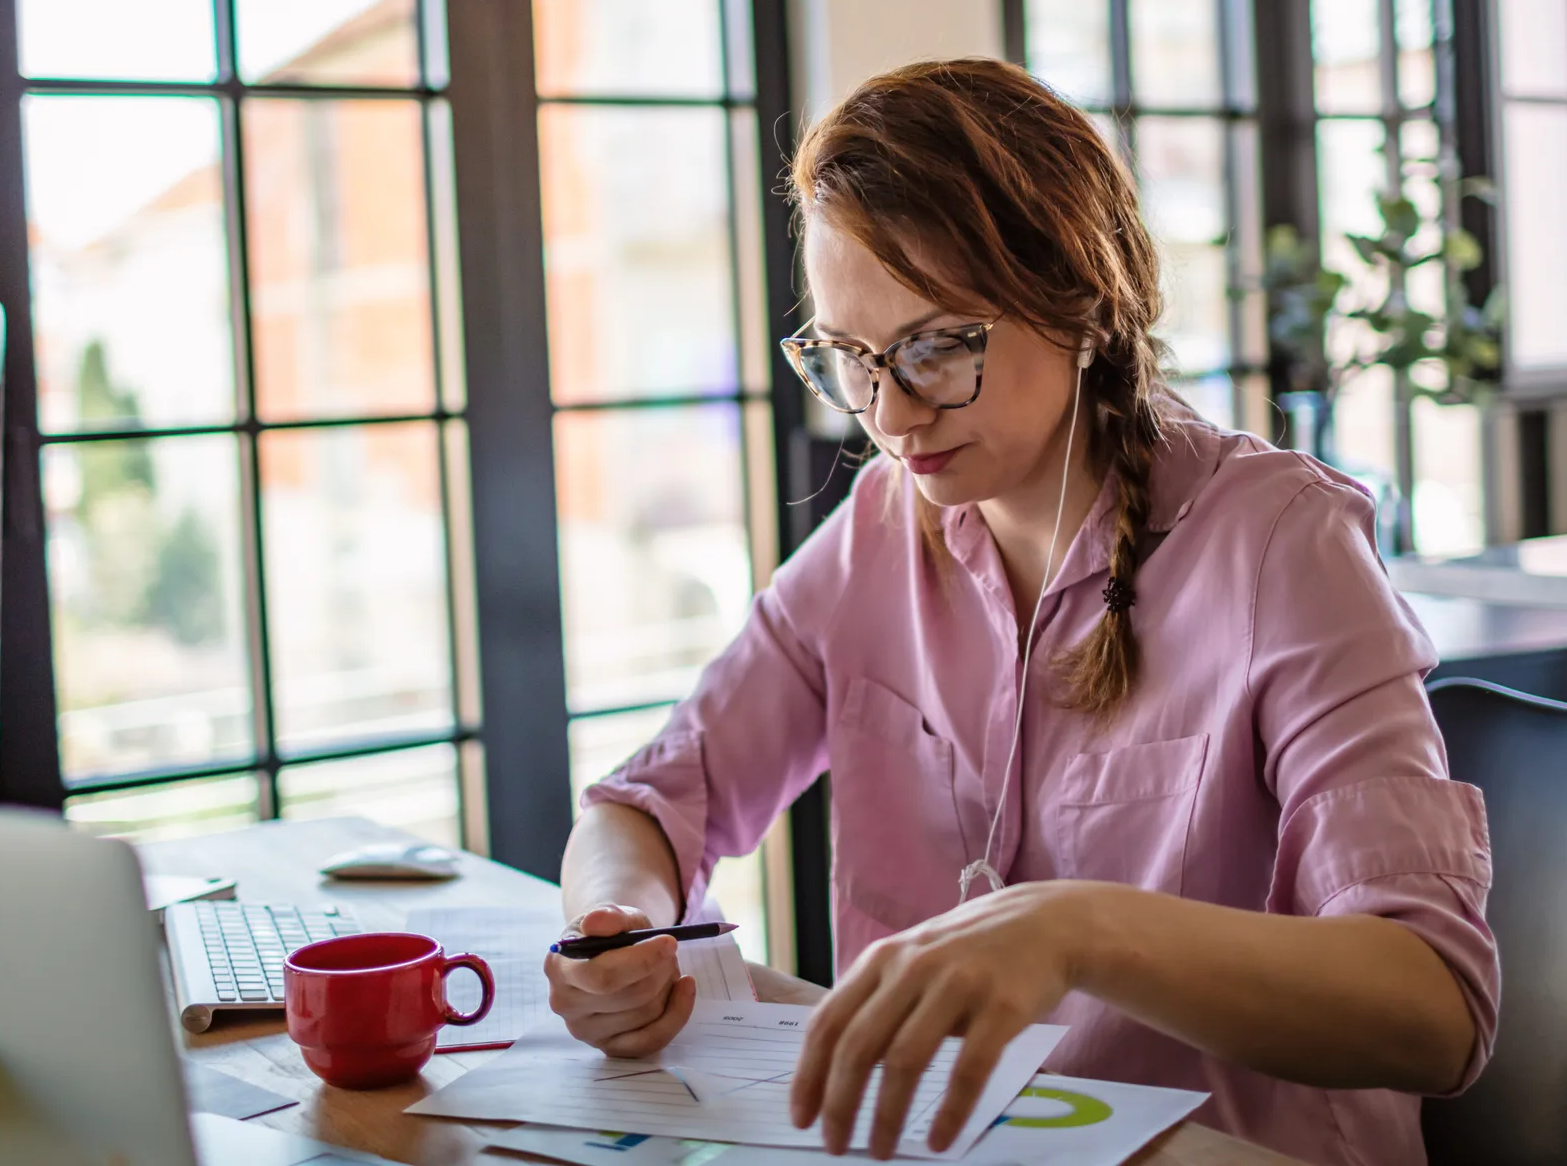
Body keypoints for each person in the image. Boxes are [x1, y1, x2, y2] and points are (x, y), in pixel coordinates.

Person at [545, 58, 1496, 1166]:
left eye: (938, 347)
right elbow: (649, 804)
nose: (889, 413)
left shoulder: (1281, 544)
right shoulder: (878, 534)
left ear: (1082, 302)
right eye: (852, 361)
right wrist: (617, 930)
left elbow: (1434, 1010)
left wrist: (1075, 931)